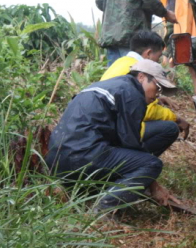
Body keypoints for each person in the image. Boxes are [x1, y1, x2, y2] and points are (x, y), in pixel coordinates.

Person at [45, 59, 178, 214]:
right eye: (157, 87)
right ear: (141, 77)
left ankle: (92, 192)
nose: (156, 96)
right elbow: (130, 143)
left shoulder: (110, 85)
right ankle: (104, 209)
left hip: (57, 159)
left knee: (134, 157)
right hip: (83, 156)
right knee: (151, 164)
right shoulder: (132, 94)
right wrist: (151, 182)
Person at [101, 29, 191, 144]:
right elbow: (141, 111)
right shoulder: (135, 68)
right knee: (170, 128)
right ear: (148, 54)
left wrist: (155, 98)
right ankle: (139, 158)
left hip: (108, 123)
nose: (157, 63)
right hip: (116, 129)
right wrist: (176, 118)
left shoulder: (120, 62)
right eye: (158, 58)